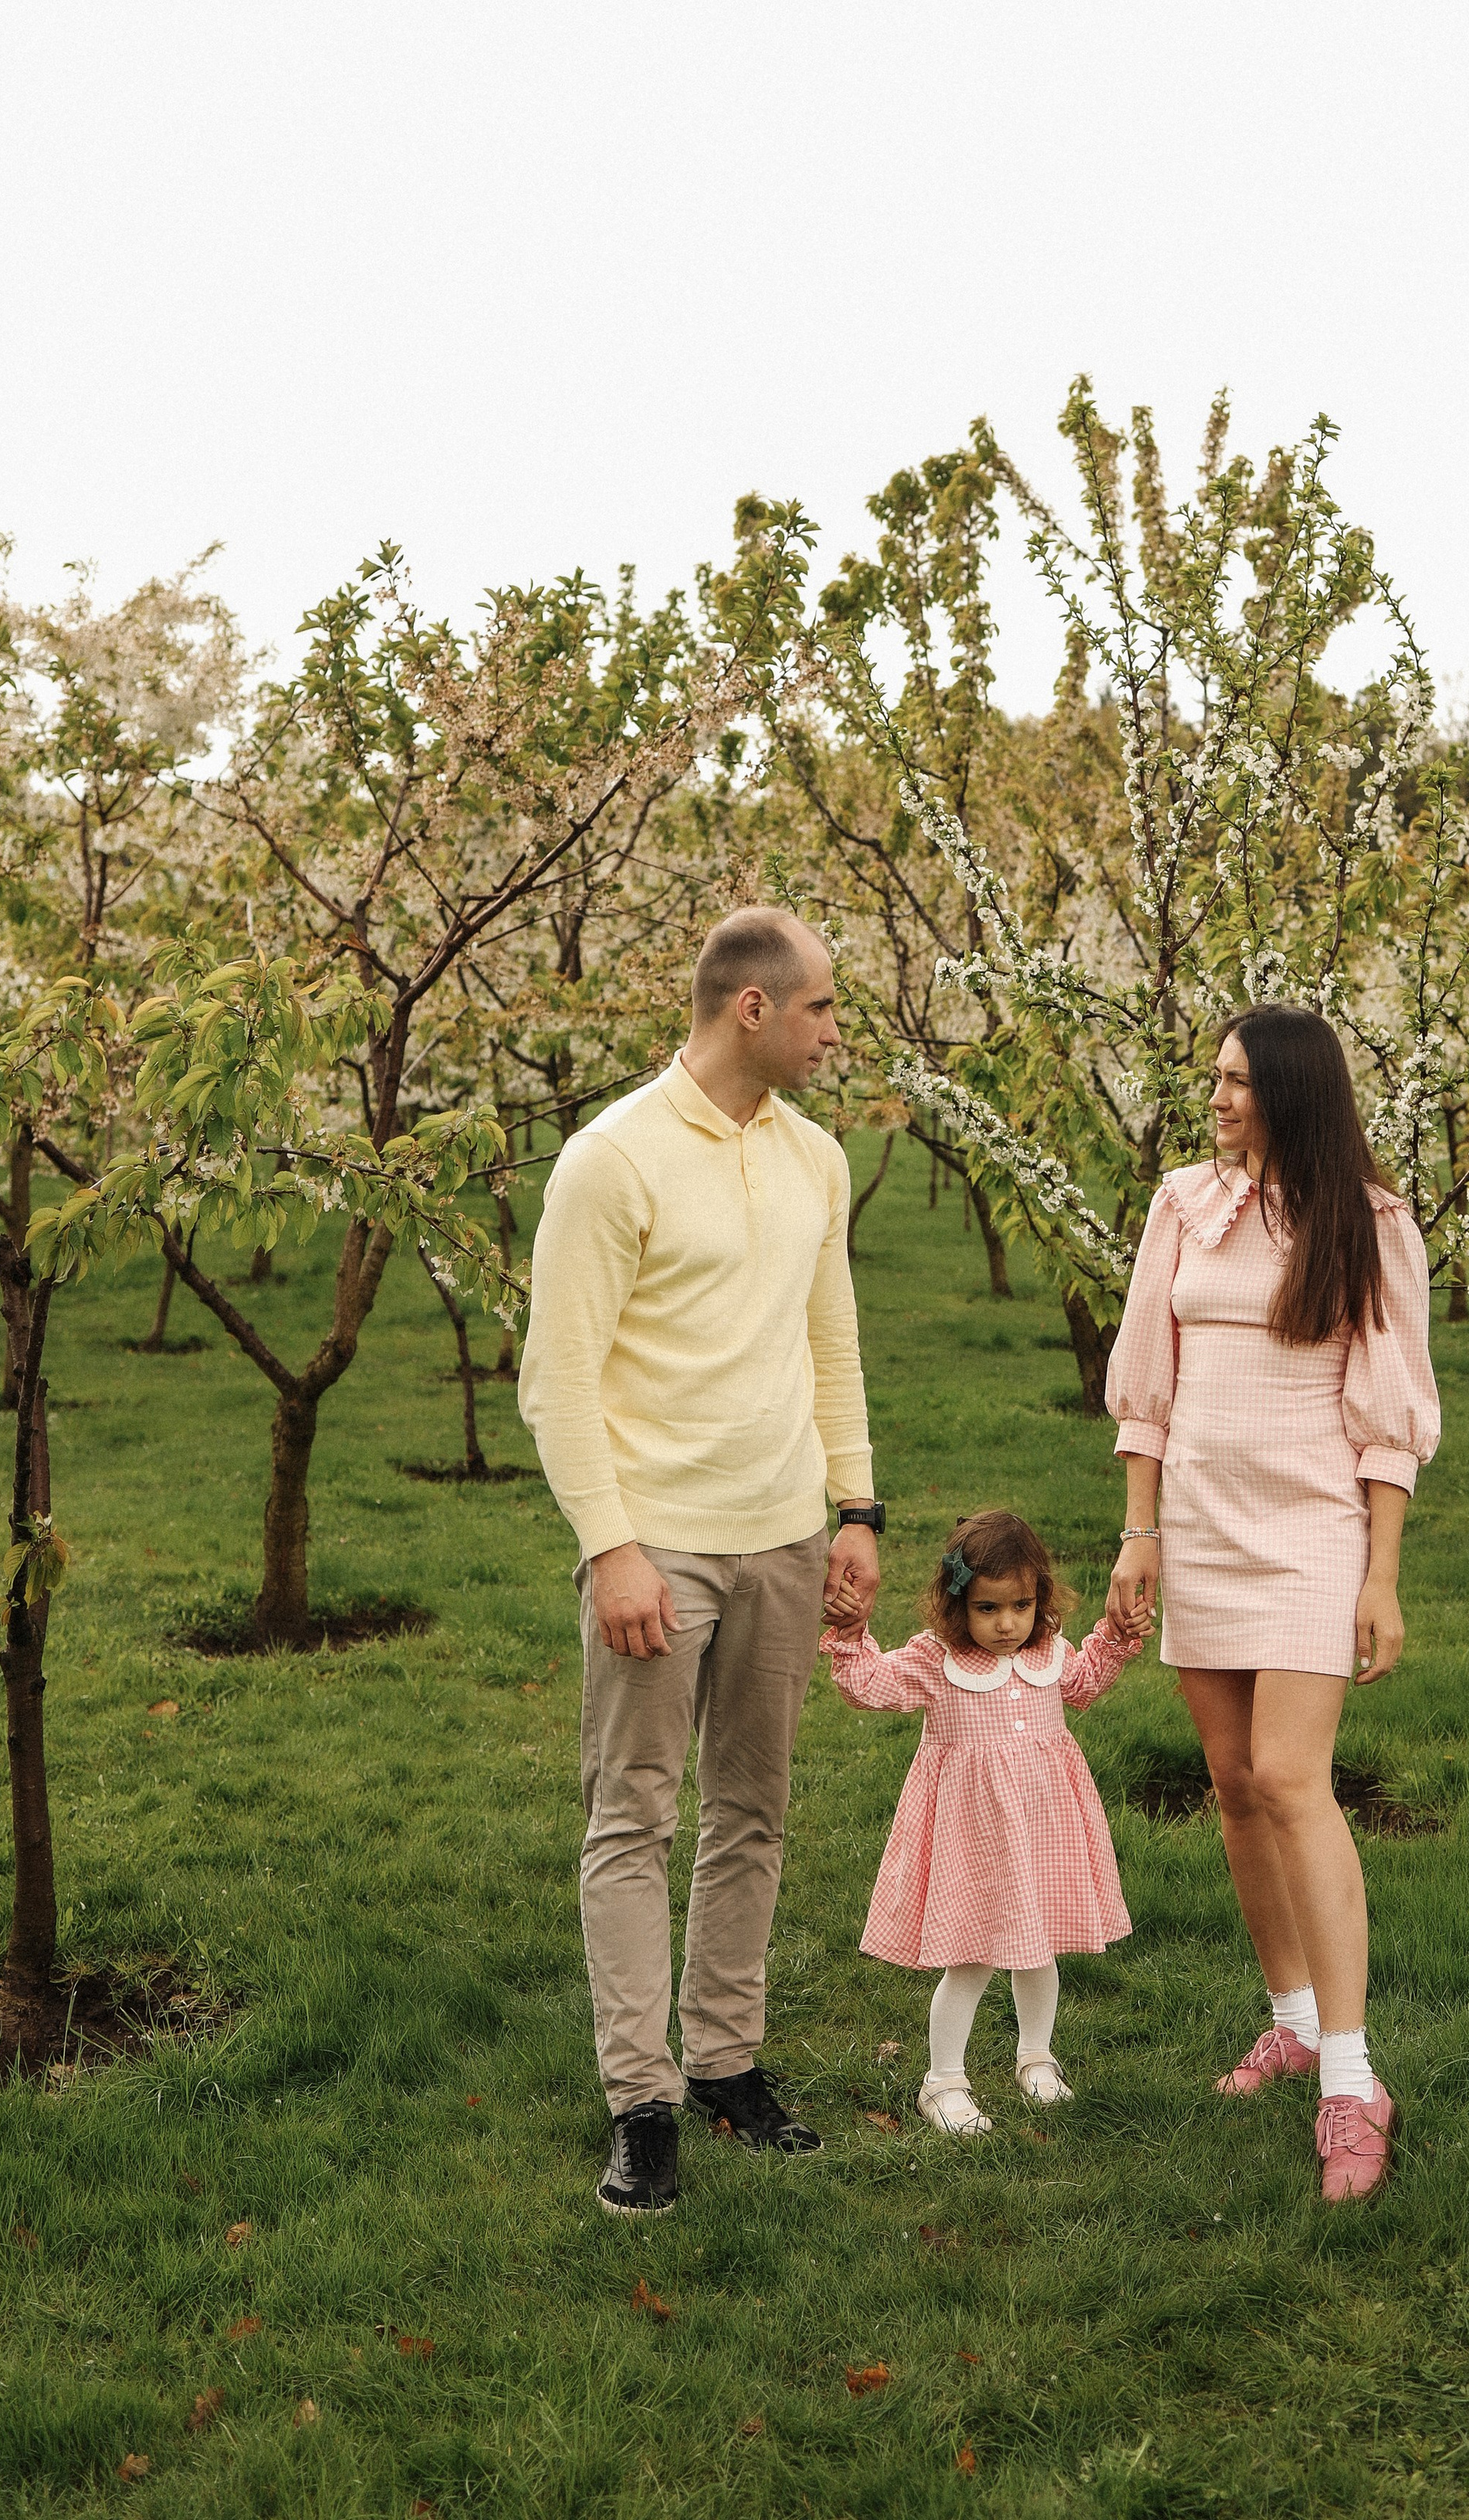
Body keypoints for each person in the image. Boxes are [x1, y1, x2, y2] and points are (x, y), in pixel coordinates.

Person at [519, 907, 885, 2217]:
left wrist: (857, 1508)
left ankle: (727, 2064)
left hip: (785, 1533)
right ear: (753, 1008)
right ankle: (643, 2102)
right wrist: (612, 1548)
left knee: (752, 1811)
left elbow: (831, 1338)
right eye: (822, 1007)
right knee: (635, 1818)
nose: (836, 1032)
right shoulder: (610, 1161)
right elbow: (558, 1381)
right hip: (657, 1547)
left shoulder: (816, 1158)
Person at [1103, 1006, 1440, 2203]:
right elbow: (1148, 1384)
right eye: (1215, 1076)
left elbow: (1389, 1418)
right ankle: (1291, 2020)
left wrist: (1380, 1574)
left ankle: (1351, 2078)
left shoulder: (1370, 1224)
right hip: (1198, 1529)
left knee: (1294, 1778)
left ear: (1294, 1092)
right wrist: (1140, 1534)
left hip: (1309, 1535)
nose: (1217, 1097)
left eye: (1240, 1080)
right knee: (1236, 1782)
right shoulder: (1181, 1204)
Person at [821, 1508, 1151, 2136]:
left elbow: (1085, 1682)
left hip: (1041, 1830)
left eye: (1021, 1605)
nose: (1007, 1624)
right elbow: (870, 1685)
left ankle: (1036, 2057)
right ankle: (943, 2080)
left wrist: (1115, 1632)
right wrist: (850, 1633)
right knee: (970, 1959)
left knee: (1039, 1946)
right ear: (957, 1604)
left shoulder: (1049, 1652)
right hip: (970, 1839)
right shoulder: (937, 1660)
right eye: (987, 1608)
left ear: (1040, 1598)